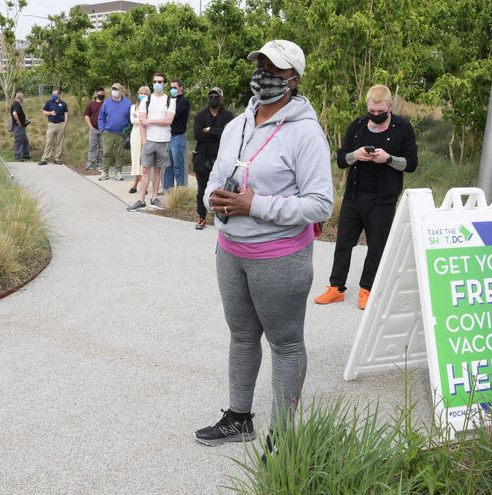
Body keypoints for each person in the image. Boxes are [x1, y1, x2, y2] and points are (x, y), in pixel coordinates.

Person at [194, 40, 333, 451]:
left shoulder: (306, 133)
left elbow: (320, 204)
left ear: (295, 80)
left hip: (280, 259)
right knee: (241, 336)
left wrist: (254, 205)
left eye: (275, 69)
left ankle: (283, 438)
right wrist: (214, 199)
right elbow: (215, 178)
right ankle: (239, 419)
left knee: (285, 344)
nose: (264, 74)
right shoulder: (237, 125)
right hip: (230, 251)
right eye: (260, 65)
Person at [314, 84, 418, 310]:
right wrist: (356, 155)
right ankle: (336, 287)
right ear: (367, 106)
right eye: (372, 110)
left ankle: (367, 289)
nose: (376, 115)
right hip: (354, 195)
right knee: (343, 243)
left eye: (381, 111)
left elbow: (411, 163)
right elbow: (341, 159)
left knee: (376, 246)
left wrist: (388, 159)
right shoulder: (358, 125)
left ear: (390, 106)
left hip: (383, 200)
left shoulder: (403, 128)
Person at [127, 73, 176, 211]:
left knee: (158, 171)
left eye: (160, 82)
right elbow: (142, 122)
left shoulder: (170, 101)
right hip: (149, 141)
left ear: (165, 84)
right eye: (155, 81)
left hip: (163, 140)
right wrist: (144, 140)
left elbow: (168, 120)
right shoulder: (146, 101)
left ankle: (154, 198)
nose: (157, 84)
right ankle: (141, 199)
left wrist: (150, 121)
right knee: (145, 171)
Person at [192, 87, 234, 229]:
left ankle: (222, 216)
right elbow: (197, 135)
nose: (213, 99)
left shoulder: (228, 116)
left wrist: (209, 130)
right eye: (211, 96)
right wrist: (219, 132)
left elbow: (229, 134)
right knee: (202, 190)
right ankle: (202, 217)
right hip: (202, 158)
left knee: (223, 190)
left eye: (216, 96)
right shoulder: (201, 115)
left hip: (222, 157)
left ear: (221, 98)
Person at [97, 83, 133, 181]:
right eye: (113, 89)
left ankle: (118, 172)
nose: (114, 91)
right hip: (108, 132)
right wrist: (102, 129)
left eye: (116, 89)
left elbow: (130, 118)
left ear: (121, 90)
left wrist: (129, 130)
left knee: (120, 153)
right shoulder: (107, 102)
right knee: (107, 152)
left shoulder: (127, 103)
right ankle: (105, 172)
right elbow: (101, 117)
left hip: (121, 133)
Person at [164, 78, 191, 190]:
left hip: (177, 137)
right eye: (171, 88)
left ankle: (180, 191)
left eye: (175, 87)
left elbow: (172, 116)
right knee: (167, 166)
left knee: (178, 166)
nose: (172, 90)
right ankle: (168, 190)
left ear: (181, 87)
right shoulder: (169, 100)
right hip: (167, 136)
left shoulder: (184, 102)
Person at [128, 86, 150, 194]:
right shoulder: (133, 106)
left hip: (147, 134)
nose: (143, 95)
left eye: (145, 93)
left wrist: (140, 118)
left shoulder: (150, 106)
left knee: (144, 162)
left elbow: (150, 120)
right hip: (136, 135)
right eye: (141, 93)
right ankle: (142, 185)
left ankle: (135, 185)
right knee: (136, 160)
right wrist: (143, 119)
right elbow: (133, 120)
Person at [38, 89, 68, 165]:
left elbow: (66, 114)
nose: (53, 95)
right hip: (51, 125)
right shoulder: (49, 102)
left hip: (61, 125)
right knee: (49, 141)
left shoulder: (63, 104)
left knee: (59, 142)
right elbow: (44, 112)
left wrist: (65, 124)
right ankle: (44, 159)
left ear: (59, 95)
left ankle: (57, 158)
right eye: (52, 94)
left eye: (55, 94)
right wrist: (51, 113)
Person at [84, 87, 105, 170]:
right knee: (92, 147)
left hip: (103, 129)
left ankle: (100, 164)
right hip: (93, 129)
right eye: (100, 94)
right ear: (96, 94)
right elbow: (86, 116)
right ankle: (90, 163)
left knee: (102, 148)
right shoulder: (91, 104)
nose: (102, 95)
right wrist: (91, 127)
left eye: (103, 94)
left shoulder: (106, 104)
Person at [11, 92, 31, 161]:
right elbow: (14, 113)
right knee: (19, 141)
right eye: (23, 97)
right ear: (20, 98)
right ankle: (18, 156)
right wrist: (19, 122)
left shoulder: (16, 104)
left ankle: (26, 155)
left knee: (25, 141)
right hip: (18, 127)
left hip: (21, 126)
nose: (23, 99)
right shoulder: (17, 105)